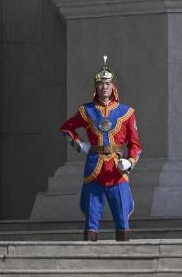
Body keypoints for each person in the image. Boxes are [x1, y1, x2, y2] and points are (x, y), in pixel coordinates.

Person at [59, 55, 142, 241]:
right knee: (91, 219)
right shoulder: (86, 110)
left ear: (113, 86)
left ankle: (125, 262)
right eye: (100, 83)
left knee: (122, 217)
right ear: (96, 87)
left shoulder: (127, 112)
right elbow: (66, 128)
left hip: (117, 171)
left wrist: (130, 161)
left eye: (107, 83)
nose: (104, 87)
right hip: (94, 169)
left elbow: (135, 144)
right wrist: (81, 145)